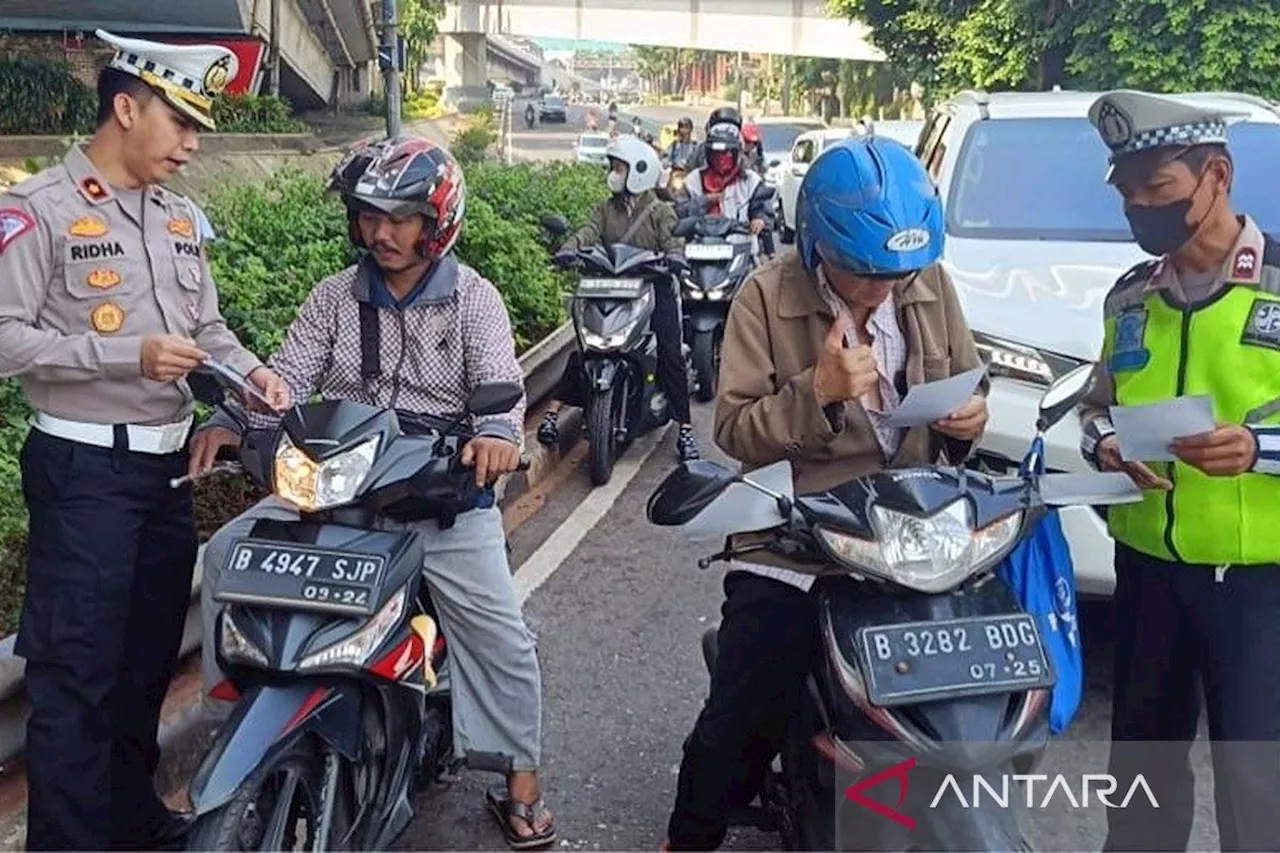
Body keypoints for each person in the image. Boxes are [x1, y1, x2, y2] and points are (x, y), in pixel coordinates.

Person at [191, 134, 557, 850]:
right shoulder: (335, 294)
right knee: (228, 552)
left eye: (398, 217)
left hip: (438, 493)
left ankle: (521, 781)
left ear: (437, 220)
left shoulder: (474, 301)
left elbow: (501, 393)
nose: (380, 232)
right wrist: (235, 416)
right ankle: (241, 704)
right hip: (338, 484)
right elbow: (288, 372)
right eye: (368, 216)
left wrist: (494, 435)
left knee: (501, 636)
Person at [0, 29, 291, 851]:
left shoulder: (177, 218)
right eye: (183, 122)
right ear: (126, 107)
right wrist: (124, 352)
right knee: (76, 678)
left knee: (142, 665)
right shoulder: (39, 212)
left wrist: (251, 374)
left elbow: (207, 328)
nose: (195, 145)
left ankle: (130, 821)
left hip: (165, 471)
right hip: (85, 467)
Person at [660, 135, 988, 851]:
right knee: (744, 700)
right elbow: (737, 431)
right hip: (798, 533)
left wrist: (970, 418)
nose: (883, 287)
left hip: (912, 528)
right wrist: (820, 393)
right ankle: (690, 833)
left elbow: (969, 382)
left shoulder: (925, 281)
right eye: (865, 271)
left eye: (897, 272)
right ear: (816, 245)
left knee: (978, 684)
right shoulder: (767, 296)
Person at [1077, 90, 1280, 853]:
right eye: (1127, 191)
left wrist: (1258, 451)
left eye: (1156, 189)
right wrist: (1104, 445)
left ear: (1216, 175)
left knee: (1257, 792)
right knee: (1141, 778)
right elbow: (1095, 405)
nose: (1138, 207)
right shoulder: (1130, 298)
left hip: (1257, 582)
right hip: (1149, 571)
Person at [537, 135, 700, 462]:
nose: (613, 173)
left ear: (639, 170)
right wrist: (568, 250)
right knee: (586, 349)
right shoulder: (605, 208)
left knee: (670, 355)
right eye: (613, 166)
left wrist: (675, 258)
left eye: (619, 167)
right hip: (609, 289)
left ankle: (685, 430)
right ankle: (553, 414)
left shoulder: (659, 211)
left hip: (652, 289)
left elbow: (673, 243)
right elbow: (587, 231)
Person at [678, 123, 768, 247]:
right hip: (698, 250)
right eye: (717, 154)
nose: (722, 159)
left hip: (740, 249)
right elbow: (679, 212)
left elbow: (762, 206)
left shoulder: (750, 180)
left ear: (737, 153)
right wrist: (704, 200)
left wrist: (759, 218)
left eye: (728, 153)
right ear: (709, 154)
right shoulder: (693, 180)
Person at [686, 106, 742, 172]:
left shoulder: (742, 157)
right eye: (719, 128)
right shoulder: (700, 149)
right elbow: (689, 168)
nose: (724, 131)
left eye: (729, 129)